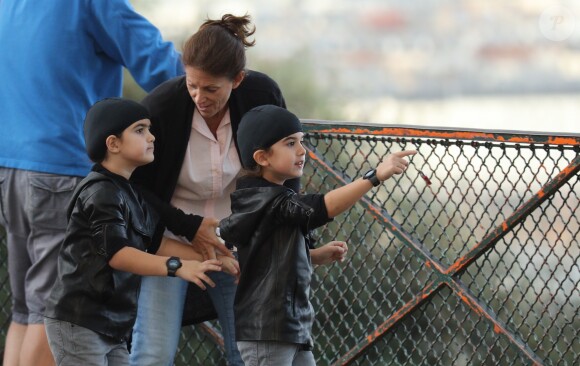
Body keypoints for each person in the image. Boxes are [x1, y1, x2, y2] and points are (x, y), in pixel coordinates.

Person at [0, 1, 184, 365]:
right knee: (53, 308)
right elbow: (163, 67)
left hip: (11, 166)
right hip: (62, 168)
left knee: (25, 310)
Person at [129, 14, 296, 366]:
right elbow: (135, 191)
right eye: (191, 85)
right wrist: (189, 227)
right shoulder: (161, 108)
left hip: (234, 240)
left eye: (210, 89)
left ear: (237, 80)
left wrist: (292, 234)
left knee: (248, 352)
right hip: (170, 236)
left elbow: (287, 163)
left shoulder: (261, 95)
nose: (199, 97)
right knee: (153, 352)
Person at [43, 98, 238, 366]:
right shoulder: (100, 193)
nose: (151, 136)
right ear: (113, 144)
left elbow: (156, 243)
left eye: (149, 129)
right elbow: (119, 254)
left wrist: (213, 258)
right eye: (140, 130)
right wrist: (177, 267)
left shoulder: (131, 193)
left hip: (112, 323)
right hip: (80, 320)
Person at [218, 105, 417, 365]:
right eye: (290, 144)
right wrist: (375, 176)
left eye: (301, 141)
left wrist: (313, 256)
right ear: (262, 157)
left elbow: (268, 257)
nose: (302, 151)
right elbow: (323, 207)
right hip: (267, 330)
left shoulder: (271, 199)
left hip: (289, 327)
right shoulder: (267, 200)